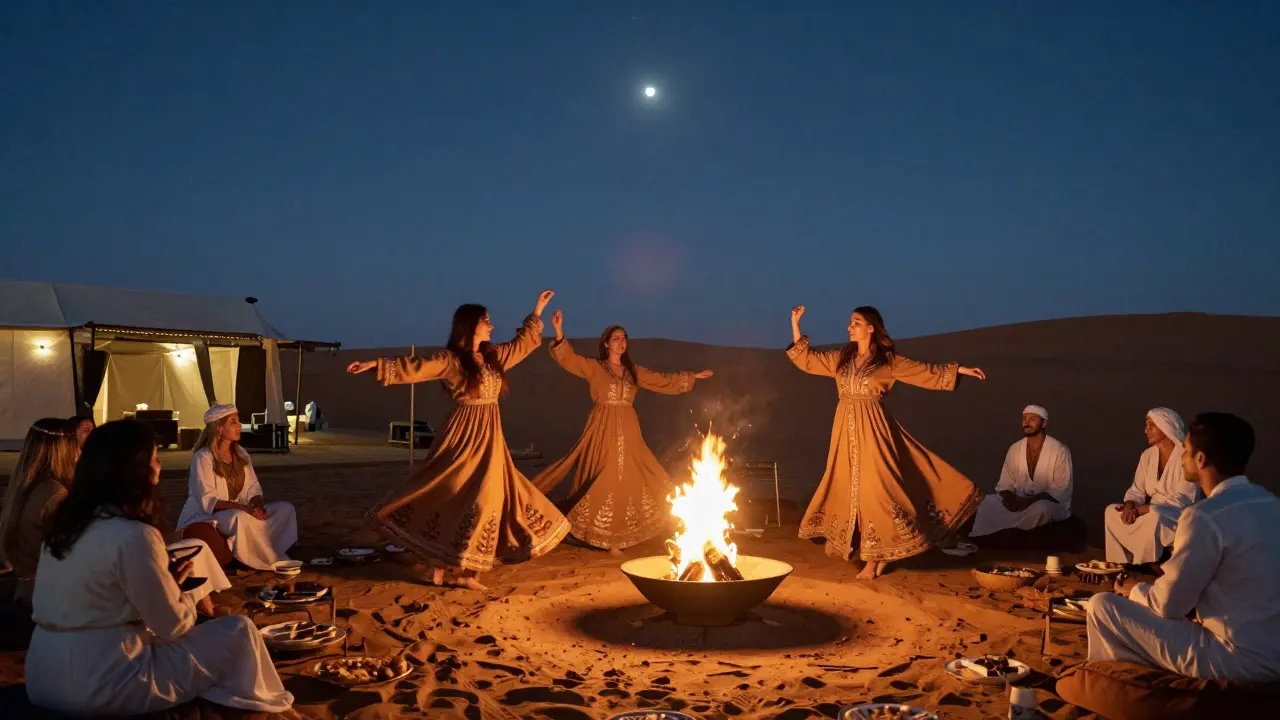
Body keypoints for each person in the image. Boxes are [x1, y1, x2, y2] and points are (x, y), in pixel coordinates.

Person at [25, 420, 296, 716]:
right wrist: (183, 593)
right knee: (240, 631)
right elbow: (173, 626)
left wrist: (163, 583)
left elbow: (98, 603)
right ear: (136, 471)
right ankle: (267, 706)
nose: (159, 467)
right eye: (154, 459)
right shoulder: (134, 535)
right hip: (106, 683)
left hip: (43, 679)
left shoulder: (63, 531)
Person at [347, 290, 570, 590]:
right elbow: (417, 366)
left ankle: (467, 573)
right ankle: (441, 562)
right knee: (451, 492)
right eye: (486, 321)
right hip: (463, 434)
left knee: (488, 497)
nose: (491, 325)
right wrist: (375, 364)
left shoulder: (492, 356)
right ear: (470, 326)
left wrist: (538, 310)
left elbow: (521, 345)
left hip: (490, 435)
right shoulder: (451, 360)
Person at [787, 305, 986, 580]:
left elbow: (923, 371)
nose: (849, 327)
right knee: (851, 491)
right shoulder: (841, 359)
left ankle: (873, 559)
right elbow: (807, 360)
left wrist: (959, 370)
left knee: (878, 492)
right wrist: (796, 324)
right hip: (845, 434)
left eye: (856, 322)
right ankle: (879, 556)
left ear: (871, 328)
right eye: (850, 322)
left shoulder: (888, 362)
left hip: (875, 432)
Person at [1088, 413, 1280, 682]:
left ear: (1200, 460)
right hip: (1274, 652)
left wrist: (1135, 589)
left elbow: (1169, 605)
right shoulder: (1271, 503)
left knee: (1103, 606)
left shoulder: (1204, 516)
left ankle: (1124, 686)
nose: (1181, 457)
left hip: (1233, 658)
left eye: (1186, 452)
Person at [532, 311, 713, 555]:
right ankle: (599, 536)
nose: (621, 341)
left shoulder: (632, 371)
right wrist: (559, 331)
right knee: (606, 476)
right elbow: (570, 360)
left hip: (629, 428)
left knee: (633, 476)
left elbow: (661, 380)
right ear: (606, 344)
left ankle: (617, 539)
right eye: (616, 338)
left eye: (624, 338)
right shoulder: (595, 367)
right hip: (602, 426)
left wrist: (692, 376)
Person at [176, 405, 298, 570]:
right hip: (208, 516)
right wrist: (247, 510)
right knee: (239, 517)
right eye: (233, 422)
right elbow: (209, 501)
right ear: (219, 428)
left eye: (238, 421)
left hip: (241, 511)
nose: (239, 426)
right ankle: (263, 559)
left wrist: (257, 507)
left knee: (285, 509)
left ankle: (267, 550)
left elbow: (253, 488)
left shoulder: (241, 453)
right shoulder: (203, 457)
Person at [1103, 408, 1200, 565]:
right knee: (1111, 511)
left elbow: (1185, 498)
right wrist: (1130, 506)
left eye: (1151, 426)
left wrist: (1144, 509)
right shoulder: (1147, 455)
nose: (1146, 430)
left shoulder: (1186, 455)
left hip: (1176, 512)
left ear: (1165, 426)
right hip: (1148, 510)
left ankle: (1147, 563)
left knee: (1155, 515)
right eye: (1146, 425)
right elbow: (1136, 491)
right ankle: (1120, 563)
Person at [1, 419, 79, 606]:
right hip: (47, 597)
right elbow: (69, 555)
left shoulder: (22, 489)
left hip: (26, 589)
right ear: (66, 449)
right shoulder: (55, 494)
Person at [969, 406, 1073, 538]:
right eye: (1024, 418)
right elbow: (1006, 483)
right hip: (1018, 502)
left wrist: (1028, 501)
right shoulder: (1015, 449)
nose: (1027, 422)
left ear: (1044, 423)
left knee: (1042, 509)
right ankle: (999, 533)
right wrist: (1010, 500)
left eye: (1032, 418)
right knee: (987, 502)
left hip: (1046, 503)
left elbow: (1060, 490)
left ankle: (1013, 531)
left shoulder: (1059, 450)